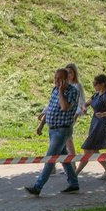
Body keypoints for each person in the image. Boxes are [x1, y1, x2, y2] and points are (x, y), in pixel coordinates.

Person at [25, 67, 80, 196]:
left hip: (63, 130)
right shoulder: (54, 89)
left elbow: (64, 107)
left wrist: (61, 91)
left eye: (59, 79)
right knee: (63, 158)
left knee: (50, 158)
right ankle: (73, 183)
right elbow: (50, 108)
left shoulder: (73, 91)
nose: (56, 81)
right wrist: (42, 124)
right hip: (52, 129)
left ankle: (37, 187)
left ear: (66, 79)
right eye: (55, 78)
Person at [76, 73, 106, 180]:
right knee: (94, 150)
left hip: (102, 125)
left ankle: (74, 174)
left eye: (95, 83)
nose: (94, 85)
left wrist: (104, 114)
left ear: (102, 84)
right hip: (95, 123)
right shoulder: (96, 94)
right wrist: (84, 108)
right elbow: (86, 104)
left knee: (87, 148)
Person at [64, 62, 87, 156]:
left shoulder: (77, 85)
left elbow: (81, 101)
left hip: (73, 113)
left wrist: (82, 110)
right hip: (63, 113)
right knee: (65, 138)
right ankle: (69, 162)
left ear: (74, 74)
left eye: (71, 72)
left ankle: (72, 161)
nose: (69, 75)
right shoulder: (64, 85)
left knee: (67, 137)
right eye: (67, 72)